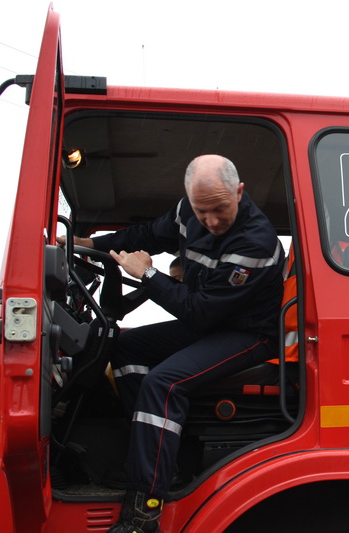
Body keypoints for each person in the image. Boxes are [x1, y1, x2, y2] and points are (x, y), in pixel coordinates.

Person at [61, 154, 284, 533]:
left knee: (163, 384)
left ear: (240, 191)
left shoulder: (255, 244)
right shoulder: (187, 212)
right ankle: (157, 459)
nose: (211, 221)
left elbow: (198, 313)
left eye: (220, 209)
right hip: (212, 324)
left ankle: (143, 509)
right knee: (125, 348)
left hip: (248, 335)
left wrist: (147, 274)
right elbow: (145, 236)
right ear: (189, 201)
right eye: (202, 211)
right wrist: (89, 243)